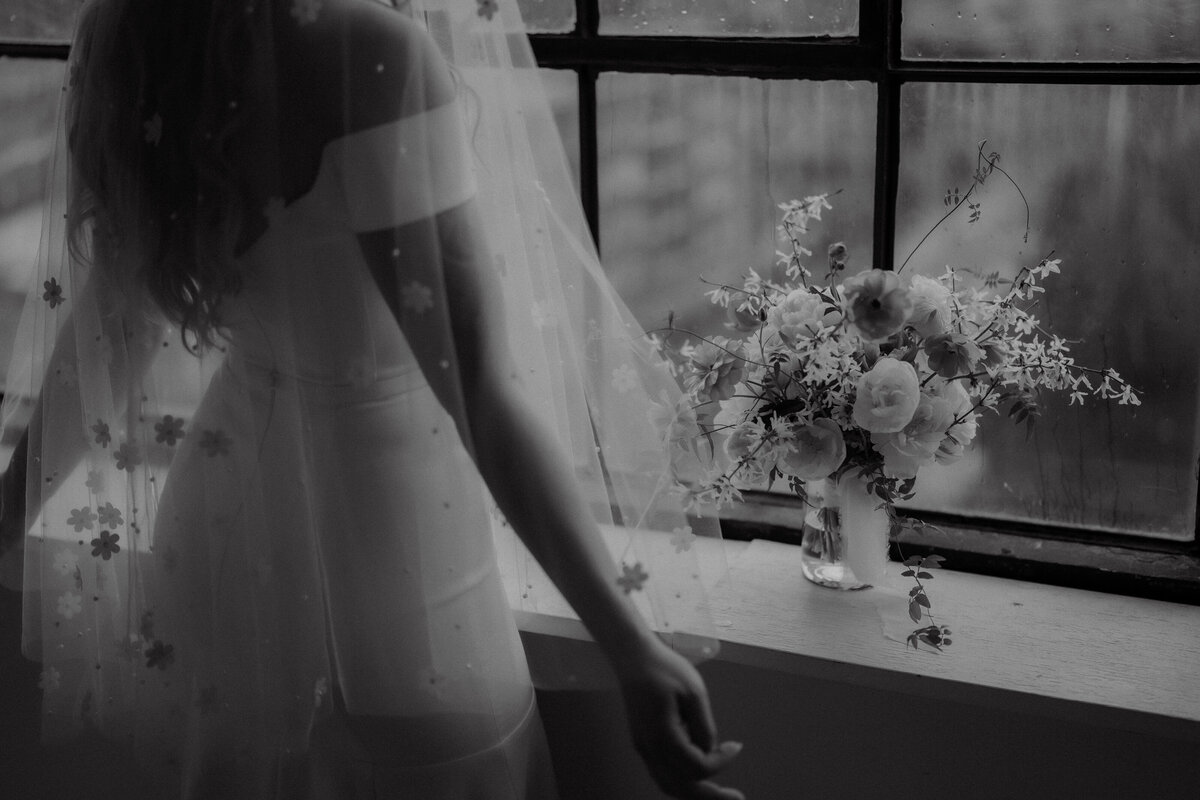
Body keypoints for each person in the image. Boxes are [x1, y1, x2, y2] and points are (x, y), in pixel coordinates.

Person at [0, 0, 741, 797]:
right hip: (401, 555)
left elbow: (112, 330)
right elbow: (483, 392)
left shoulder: (138, 34)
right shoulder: (369, 51)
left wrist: (5, 513)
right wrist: (632, 647)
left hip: (218, 542)